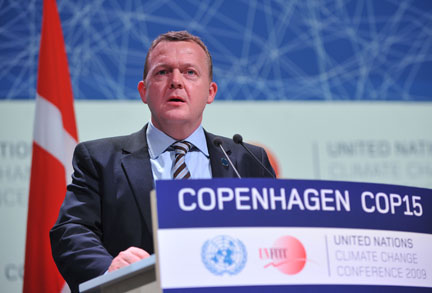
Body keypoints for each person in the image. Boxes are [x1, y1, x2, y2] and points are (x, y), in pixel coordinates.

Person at [50, 30, 275, 292]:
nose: (176, 81)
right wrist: (108, 269)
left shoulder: (246, 160)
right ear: (143, 91)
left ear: (210, 92)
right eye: (162, 72)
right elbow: (72, 230)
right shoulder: (100, 160)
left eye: (190, 72)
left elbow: (272, 237)